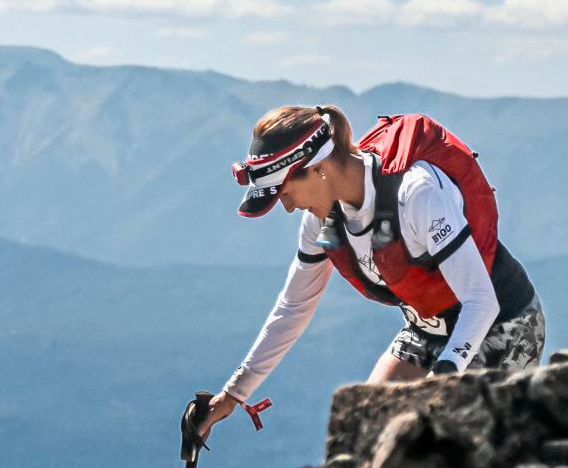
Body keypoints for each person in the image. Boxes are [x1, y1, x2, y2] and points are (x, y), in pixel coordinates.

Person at [202, 104, 546, 437]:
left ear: (318, 168)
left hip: (503, 324)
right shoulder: (320, 223)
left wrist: (444, 373)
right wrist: (233, 394)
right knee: (359, 434)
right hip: (426, 329)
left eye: (285, 192)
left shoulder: (415, 193)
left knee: (438, 450)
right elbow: (294, 307)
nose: (288, 207)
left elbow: (481, 300)